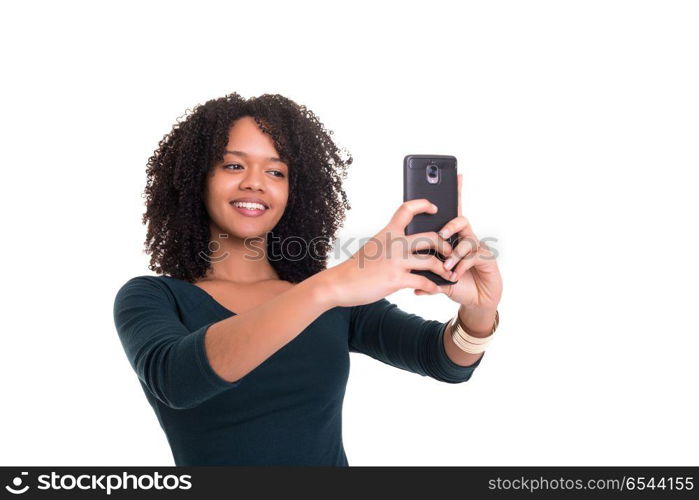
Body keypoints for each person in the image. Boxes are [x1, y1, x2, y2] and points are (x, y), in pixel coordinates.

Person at [112, 92, 503, 466]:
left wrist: (480, 309)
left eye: (276, 171)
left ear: (294, 192)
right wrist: (329, 286)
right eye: (233, 165)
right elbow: (178, 379)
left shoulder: (332, 297)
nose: (255, 182)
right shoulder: (152, 297)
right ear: (197, 178)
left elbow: (442, 359)